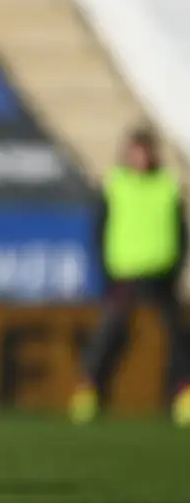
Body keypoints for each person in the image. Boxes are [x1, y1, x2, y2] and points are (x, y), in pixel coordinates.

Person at [71, 127, 190, 427]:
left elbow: (180, 233)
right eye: (135, 151)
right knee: (109, 333)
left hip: (161, 274)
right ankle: (89, 390)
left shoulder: (167, 186)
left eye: (145, 151)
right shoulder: (115, 185)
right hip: (124, 274)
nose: (140, 157)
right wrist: (106, 269)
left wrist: (175, 267)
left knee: (176, 335)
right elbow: (100, 230)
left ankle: (183, 393)